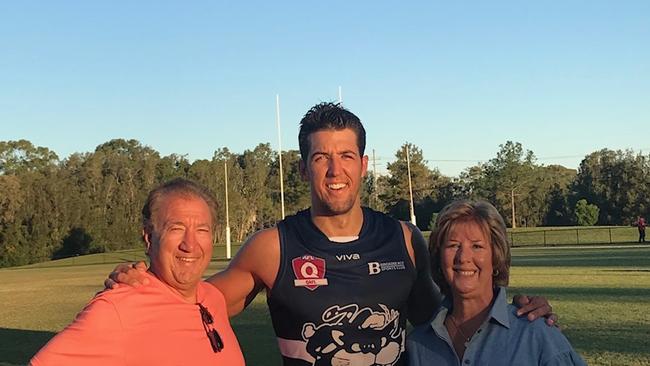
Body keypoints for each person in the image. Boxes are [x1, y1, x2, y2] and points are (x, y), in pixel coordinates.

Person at [107, 103, 554, 366]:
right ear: (303, 168)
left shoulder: (404, 239)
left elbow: (449, 321)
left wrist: (519, 312)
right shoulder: (272, 247)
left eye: (346, 155)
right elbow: (195, 304)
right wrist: (140, 284)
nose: (335, 170)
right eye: (321, 157)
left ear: (363, 164)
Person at [31, 178, 244, 366]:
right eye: (176, 228)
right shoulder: (117, 308)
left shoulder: (213, 298)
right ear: (149, 237)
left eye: (202, 230)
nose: (190, 244)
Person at [406, 200, 585, 365]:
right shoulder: (418, 345)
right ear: (439, 255)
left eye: (477, 246)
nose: (463, 257)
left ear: (496, 256)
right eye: (453, 245)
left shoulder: (536, 334)